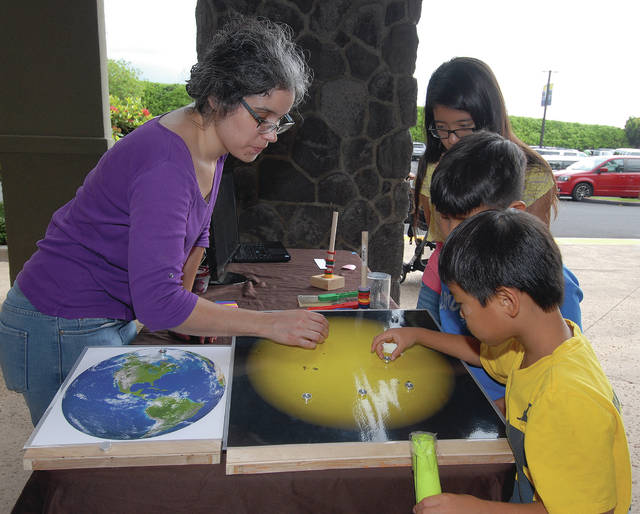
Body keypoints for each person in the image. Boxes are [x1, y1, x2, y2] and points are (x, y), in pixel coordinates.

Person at [0, 16, 328, 426]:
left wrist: (187, 313)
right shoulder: (166, 167)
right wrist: (267, 323)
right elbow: (157, 304)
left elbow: (197, 237)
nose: (271, 133)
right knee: (87, 460)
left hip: (105, 312)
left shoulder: (213, 143)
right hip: (60, 319)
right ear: (217, 97)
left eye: (279, 120)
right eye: (261, 117)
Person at [380, 209, 632, 512]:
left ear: (506, 301)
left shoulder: (566, 395)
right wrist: (419, 335)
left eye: (462, 305)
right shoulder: (536, 345)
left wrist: (475, 508)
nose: (460, 315)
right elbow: (477, 352)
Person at [375, 131, 583, 408]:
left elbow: (553, 382)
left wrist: (497, 415)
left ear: (513, 213)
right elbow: (485, 352)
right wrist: (416, 335)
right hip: (464, 391)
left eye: (463, 221)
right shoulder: (460, 267)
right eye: (444, 218)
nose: (450, 234)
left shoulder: (548, 286)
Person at [414, 57, 557, 324]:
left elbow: (531, 256)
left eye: (464, 127)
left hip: (496, 296)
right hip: (442, 284)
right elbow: (441, 236)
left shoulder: (534, 175)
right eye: (441, 129)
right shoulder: (434, 167)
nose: (452, 140)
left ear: (489, 117)